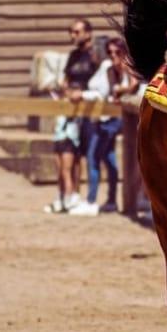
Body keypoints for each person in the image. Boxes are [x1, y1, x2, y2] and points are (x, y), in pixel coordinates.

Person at [70, 37, 139, 217]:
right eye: (110, 52)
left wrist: (119, 92)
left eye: (117, 52)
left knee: (94, 156)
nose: (113, 56)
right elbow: (103, 92)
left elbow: (134, 88)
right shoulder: (108, 69)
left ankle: (92, 201)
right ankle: (111, 201)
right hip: (106, 118)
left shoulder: (130, 69)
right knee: (108, 159)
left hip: (123, 119)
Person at [45, 19, 99, 214]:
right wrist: (62, 89)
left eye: (76, 32)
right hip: (71, 109)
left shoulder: (96, 54)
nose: (72, 36)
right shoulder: (73, 56)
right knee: (69, 153)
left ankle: (85, 198)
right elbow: (67, 79)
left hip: (91, 110)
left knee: (86, 156)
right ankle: (70, 195)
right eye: (71, 32)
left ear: (88, 33)